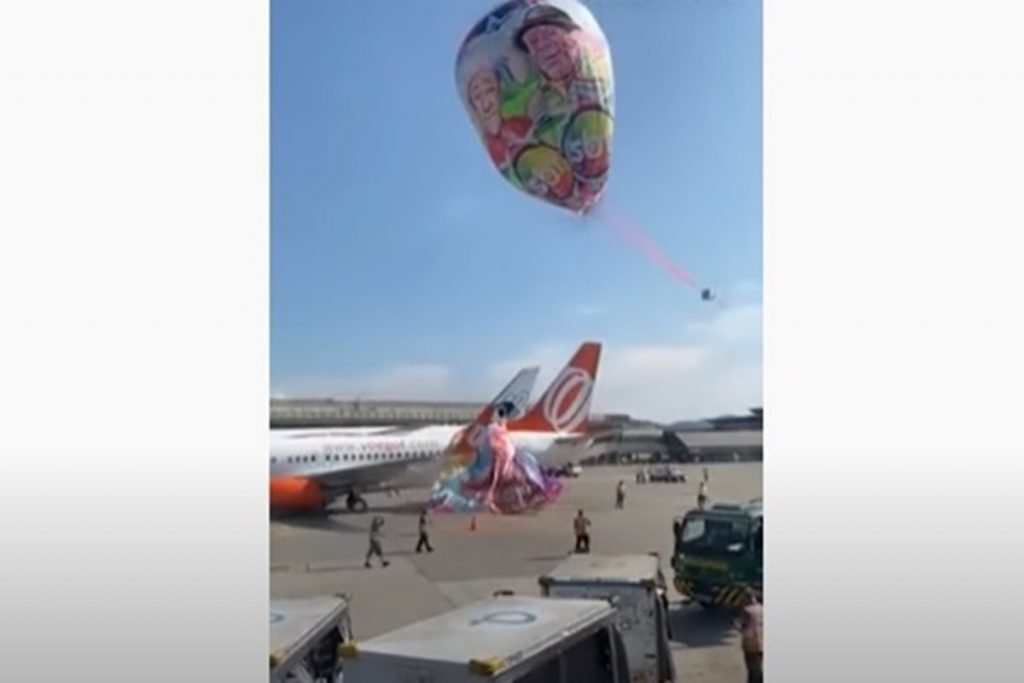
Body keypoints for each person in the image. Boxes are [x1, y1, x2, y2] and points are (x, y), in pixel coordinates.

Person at [736, 588, 764, 683]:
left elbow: (743, 626)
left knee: (752, 669)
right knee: (758, 667)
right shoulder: (762, 608)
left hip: (750, 644)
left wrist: (737, 626)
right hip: (762, 643)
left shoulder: (746, 610)